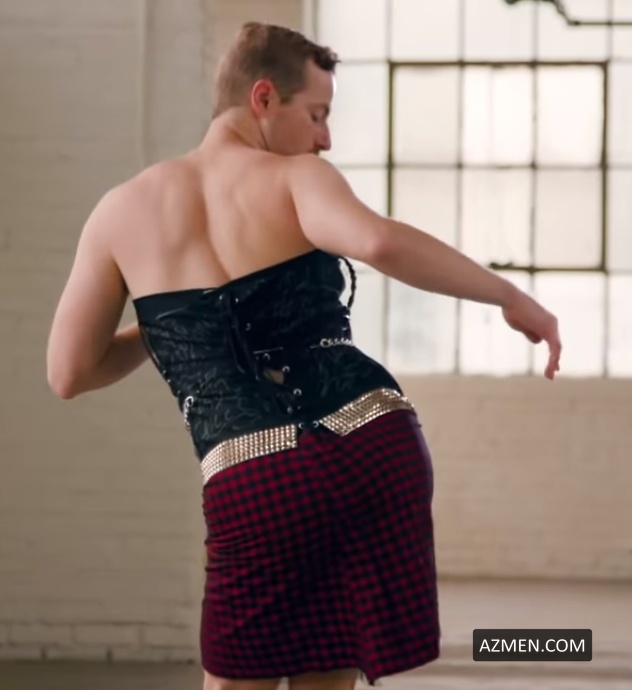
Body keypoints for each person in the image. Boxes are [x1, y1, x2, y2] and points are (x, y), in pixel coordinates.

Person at [46, 21, 562, 690]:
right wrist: (509, 296)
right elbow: (377, 242)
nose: (325, 139)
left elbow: (70, 372)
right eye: (317, 114)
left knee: (235, 682)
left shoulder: (120, 211)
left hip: (253, 476)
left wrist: (173, 324)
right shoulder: (296, 179)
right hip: (372, 443)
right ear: (263, 97)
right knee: (328, 673)